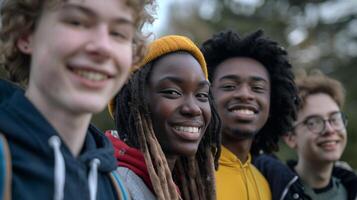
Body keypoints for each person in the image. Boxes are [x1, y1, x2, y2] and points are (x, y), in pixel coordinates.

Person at [0, 0, 154, 199]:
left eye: (118, 33)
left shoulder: (116, 188)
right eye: (77, 22)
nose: (103, 47)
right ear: (26, 34)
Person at [107, 35, 221, 200]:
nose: (194, 108)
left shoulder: (187, 186)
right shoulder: (113, 186)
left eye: (202, 95)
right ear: (132, 103)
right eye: (172, 92)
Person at [201, 30, 300, 200]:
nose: (245, 95)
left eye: (258, 88)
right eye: (230, 86)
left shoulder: (268, 184)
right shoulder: (185, 175)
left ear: (273, 102)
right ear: (205, 95)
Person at [283, 70, 357, 200]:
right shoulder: (274, 191)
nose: (329, 129)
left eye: (335, 118)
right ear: (290, 137)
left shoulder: (352, 188)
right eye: (314, 122)